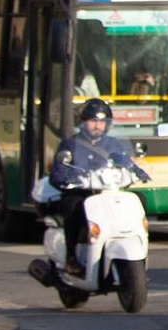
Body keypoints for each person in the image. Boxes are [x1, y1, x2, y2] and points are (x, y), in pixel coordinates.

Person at [32, 97, 142, 288]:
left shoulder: (113, 144)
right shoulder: (71, 145)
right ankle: (72, 258)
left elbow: (126, 162)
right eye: (93, 121)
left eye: (102, 122)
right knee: (73, 207)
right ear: (83, 123)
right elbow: (58, 171)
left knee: (140, 199)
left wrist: (137, 172)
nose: (97, 126)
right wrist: (69, 179)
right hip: (83, 193)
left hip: (107, 192)